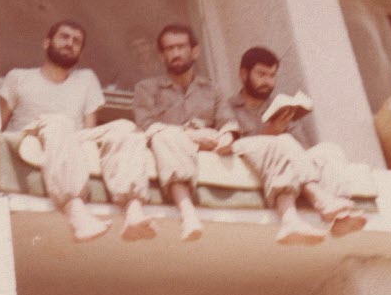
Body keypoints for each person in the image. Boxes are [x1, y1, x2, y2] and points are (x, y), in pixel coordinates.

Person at [0, 20, 155, 242]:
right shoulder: (19, 77)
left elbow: (89, 131)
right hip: (33, 139)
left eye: (76, 41)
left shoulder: (86, 79)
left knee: (125, 127)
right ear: (47, 43)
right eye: (64, 37)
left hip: (71, 140)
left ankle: (133, 211)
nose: (70, 43)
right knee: (59, 122)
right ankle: (76, 212)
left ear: (80, 52)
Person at [229, 46, 367, 239]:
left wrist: (284, 126)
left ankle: (340, 215)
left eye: (272, 75)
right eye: (261, 74)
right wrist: (269, 133)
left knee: (329, 150)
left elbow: (303, 150)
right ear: (244, 74)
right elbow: (231, 146)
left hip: (288, 164)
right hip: (251, 163)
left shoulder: (280, 107)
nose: (267, 81)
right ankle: (320, 201)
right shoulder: (229, 107)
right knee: (283, 140)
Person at [133, 24, 238, 241]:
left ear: (195, 51)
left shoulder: (212, 89)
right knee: (165, 135)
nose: (176, 53)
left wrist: (226, 137)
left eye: (181, 47)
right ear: (162, 56)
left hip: (208, 162)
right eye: (169, 49)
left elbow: (227, 122)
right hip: (167, 158)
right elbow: (146, 125)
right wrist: (191, 135)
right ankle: (187, 214)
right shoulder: (147, 88)